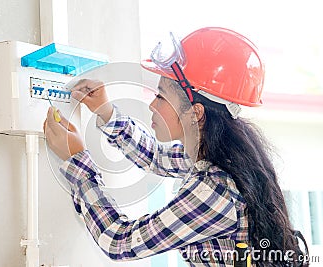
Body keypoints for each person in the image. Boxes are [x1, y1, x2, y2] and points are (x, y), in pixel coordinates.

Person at [43, 27, 308, 266]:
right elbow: (155, 156)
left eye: (161, 96)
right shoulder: (223, 155)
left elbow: (120, 241)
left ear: (196, 113)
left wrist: (78, 163)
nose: (152, 105)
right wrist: (106, 112)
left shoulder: (216, 190)